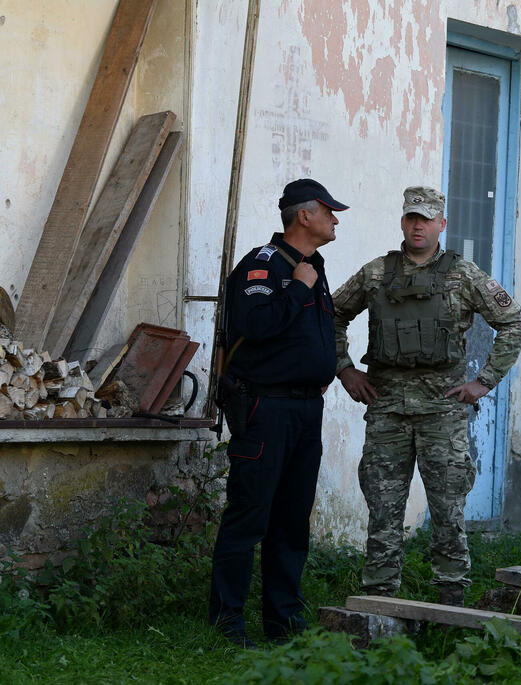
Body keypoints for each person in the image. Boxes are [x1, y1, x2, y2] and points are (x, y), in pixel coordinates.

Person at [332, 186, 521, 606]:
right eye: (411, 218)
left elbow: (513, 323)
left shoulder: (464, 275)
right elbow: (331, 315)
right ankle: (379, 601)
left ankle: (450, 599)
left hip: (444, 410)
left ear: (442, 223)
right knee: (383, 508)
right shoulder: (377, 274)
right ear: (403, 222)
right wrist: (345, 370)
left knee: (447, 509)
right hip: (387, 410)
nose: (418, 225)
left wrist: (484, 381)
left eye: (426, 218)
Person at [209, 178, 348, 647]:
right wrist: (297, 288)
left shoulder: (312, 266)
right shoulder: (264, 265)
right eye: (329, 210)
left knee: (291, 521)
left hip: (306, 409)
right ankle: (227, 623)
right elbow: (257, 324)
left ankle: (284, 624)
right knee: (249, 517)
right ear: (303, 215)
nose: (335, 218)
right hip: (266, 408)